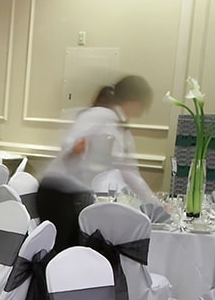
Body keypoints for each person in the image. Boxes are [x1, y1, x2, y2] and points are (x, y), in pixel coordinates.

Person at [38, 76, 156, 251]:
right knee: (62, 254)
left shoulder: (122, 130)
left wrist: (154, 205)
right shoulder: (101, 115)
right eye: (143, 104)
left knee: (78, 252)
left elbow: (131, 173)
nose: (143, 110)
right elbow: (69, 141)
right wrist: (75, 148)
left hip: (78, 197)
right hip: (58, 194)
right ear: (133, 100)